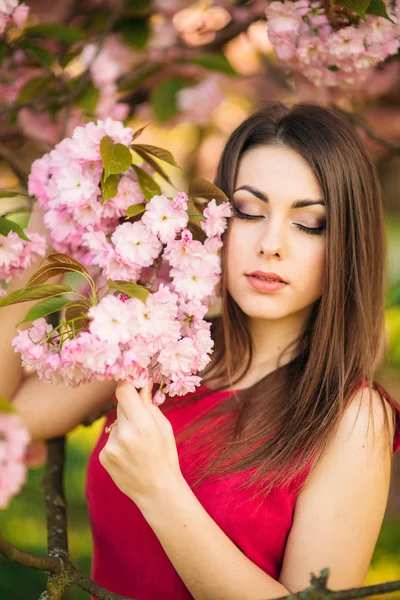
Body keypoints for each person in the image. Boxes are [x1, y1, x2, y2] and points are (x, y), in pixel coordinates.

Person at [2, 102, 400, 600]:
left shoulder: (353, 417)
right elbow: (9, 418)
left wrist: (159, 490)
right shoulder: (161, 344)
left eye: (310, 223)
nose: (271, 244)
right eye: (249, 212)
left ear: (346, 243)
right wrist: (42, 247)